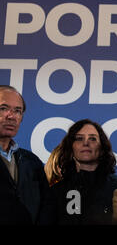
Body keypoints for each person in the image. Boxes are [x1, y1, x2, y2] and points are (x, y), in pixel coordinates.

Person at [48, 119, 117, 224]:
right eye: (79, 139)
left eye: (92, 139)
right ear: (71, 148)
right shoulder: (55, 192)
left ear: (102, 147)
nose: (86, 143)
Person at [0, 85, 52, 224]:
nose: (11, 116)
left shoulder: (32, 161)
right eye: (3, 108)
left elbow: (45, 207)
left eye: (18, 111)